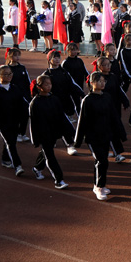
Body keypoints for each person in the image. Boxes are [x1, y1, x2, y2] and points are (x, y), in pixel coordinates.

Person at [75, 72, 116, 201]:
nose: (102, 83)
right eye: (99, 81)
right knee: (101, 160)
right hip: (93, 136)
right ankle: (98, 186)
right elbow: (82, 121)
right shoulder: (87, 100)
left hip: (105, 134)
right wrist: (78, 140)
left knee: (103, 161)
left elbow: (113, 116)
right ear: (92, 83)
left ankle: (99, 184)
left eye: (104, 81)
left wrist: (119, 132)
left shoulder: (107, 97)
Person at [29, 75, 71, 189]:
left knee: (46, 151)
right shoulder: (35, 103)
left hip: (53, 132)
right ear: (39, 87)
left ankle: (37, 168)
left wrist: (67, 131)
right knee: (50, 156)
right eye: (46, 84)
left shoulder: (54, 99)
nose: (49, 86)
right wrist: (35, 139)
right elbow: (33, 122)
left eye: (50, 84)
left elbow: (61, 116)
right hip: (43, 134)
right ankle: (59, 180)